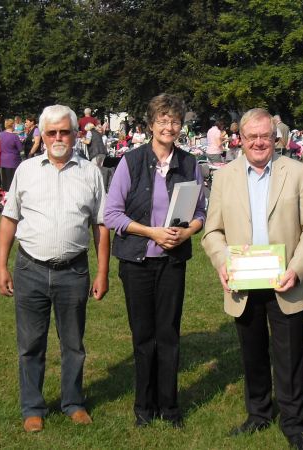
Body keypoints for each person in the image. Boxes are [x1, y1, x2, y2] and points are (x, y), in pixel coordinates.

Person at [202, 108, 303, 450]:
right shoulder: (224, 177)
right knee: (251, 352)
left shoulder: (296, 173)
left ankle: (294, 421)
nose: (258, 142)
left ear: (275, 138)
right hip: (242, 280)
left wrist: (296, 269)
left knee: (290, 355)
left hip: (286, 280)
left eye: (264, 136)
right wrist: (223, 263)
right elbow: (212, 232)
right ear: (239, 139)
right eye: (251, 136)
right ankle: (258, 414)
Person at [0, 104, 109, 433]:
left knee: (73, 344)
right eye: (52, 132)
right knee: (31, 344)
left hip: (73, 272)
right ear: (42, 136)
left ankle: (73, 402)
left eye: (64, 131)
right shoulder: (26, 171)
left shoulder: (90, 173)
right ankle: (33, 407)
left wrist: (102, 273)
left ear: (76, 134)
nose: (58, 137)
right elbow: (9, 220)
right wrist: (1, 265)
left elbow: (101, 227)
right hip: (30, 269)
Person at [104, 93, 206, 428]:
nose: (169, 126)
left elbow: (201, 212)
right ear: (150, 125)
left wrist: (186, 232)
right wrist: (151, 233)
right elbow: (112, 214)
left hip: (172, 262)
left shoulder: (190, 164)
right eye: (162, 120)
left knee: (169, 335)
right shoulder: (130, 162)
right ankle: (143, 408)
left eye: (175, 121)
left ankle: (170, 407)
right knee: (143, 337)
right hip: (137, 263)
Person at [0, 119, 23, 191]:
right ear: (12, 125)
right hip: (12, 161)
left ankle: (4, 198)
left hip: (3, 160)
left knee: (5, 182)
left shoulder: (1, 135)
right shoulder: (14, 137)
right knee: (12, 182)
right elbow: (20, 148)